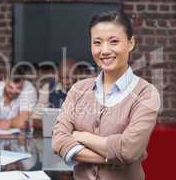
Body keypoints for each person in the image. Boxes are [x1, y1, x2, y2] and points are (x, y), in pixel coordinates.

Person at [52, 11, 160, 180]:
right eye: (97, 43)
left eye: (114, 41)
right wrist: (118, 157)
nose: (104, 50)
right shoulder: (78, 90)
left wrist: (81, 136)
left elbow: (128, 150)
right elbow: (59, 141)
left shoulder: (146, 94)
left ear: (130, 43)